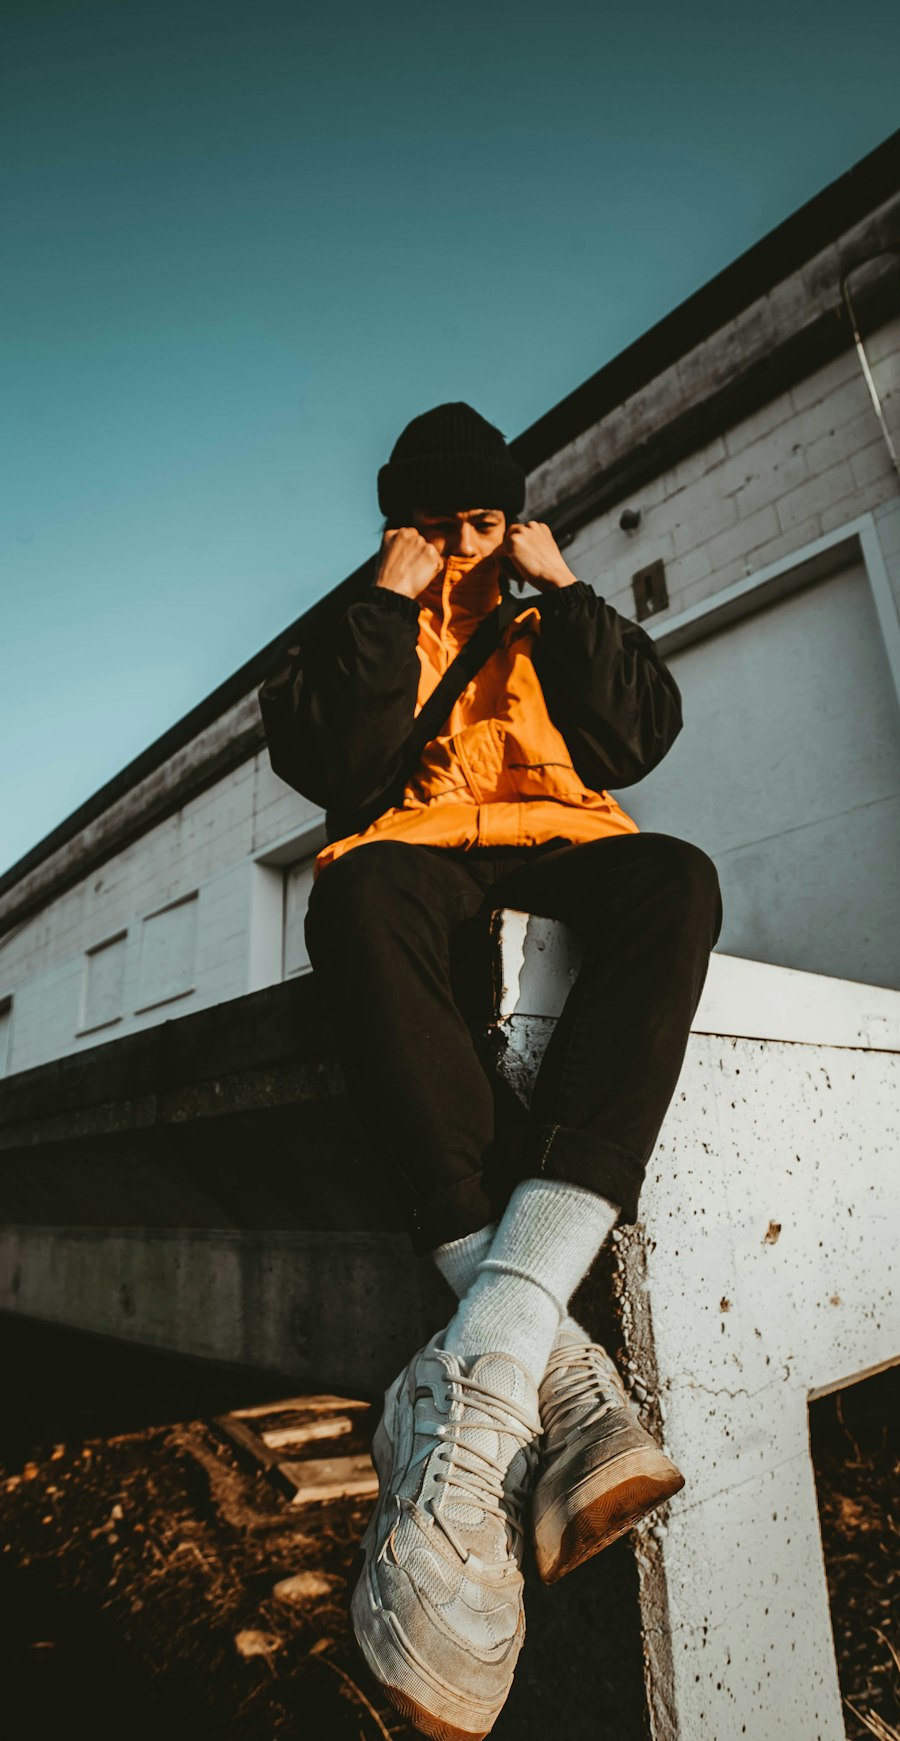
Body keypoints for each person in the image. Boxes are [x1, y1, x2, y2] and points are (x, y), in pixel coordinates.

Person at [258, 401, 723, 1741]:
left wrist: (562, 583)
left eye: (480, 518)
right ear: (400, 520)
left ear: (507, 515)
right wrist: (384, 600)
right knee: (356, 901)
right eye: (436, 520)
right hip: (415, 857)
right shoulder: (370, 613)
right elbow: (327, 764)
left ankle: (471, 1373)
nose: (461, 542)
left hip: (559, 838)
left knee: (676, 883)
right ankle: (552, 1375)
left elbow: (638, 739)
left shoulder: (544, 605)